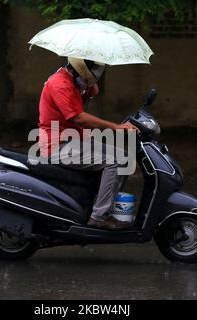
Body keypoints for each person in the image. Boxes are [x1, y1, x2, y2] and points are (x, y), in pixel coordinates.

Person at [38, 57, 138, 230]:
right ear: (81, 69)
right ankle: (99, 217)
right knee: (114, 161)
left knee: (124, 158)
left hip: (74, 141)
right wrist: (116, 127)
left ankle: (105, 208)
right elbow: (79, 118)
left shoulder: (72, 81)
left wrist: (86, 91)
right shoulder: (60, 84)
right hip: (58, 146)